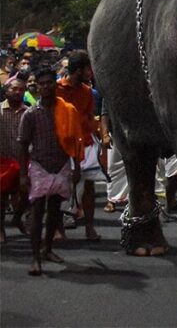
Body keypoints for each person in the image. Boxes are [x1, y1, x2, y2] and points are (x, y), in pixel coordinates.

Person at [18, 68, 83, 275]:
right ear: (37, 88)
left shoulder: (67, 110)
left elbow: (75, 141)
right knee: (37, 213)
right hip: (39, 167)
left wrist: (77, 167)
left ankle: (47, 249)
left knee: (55, 211)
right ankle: (35, 257)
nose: (46, 86)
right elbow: (23, 145)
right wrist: (22, 174)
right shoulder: (30, 114)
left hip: (62, 165)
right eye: (42, 84)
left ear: (55, 85)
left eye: (49, 83)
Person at [56, 50, 100, 241]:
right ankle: (59, 229)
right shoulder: (56, 88)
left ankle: (89, 227)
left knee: (89, 188)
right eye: (87, 68)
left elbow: (89, 117)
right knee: (59, 188)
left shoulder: (88, 92)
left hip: (86, 144)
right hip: (61, 146)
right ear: (78, 70)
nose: (90, 72)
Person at [0, 77, 29, 243]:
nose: (17, 92)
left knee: (28, 193)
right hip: (3, 160)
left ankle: (17, 218)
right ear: (6, 91)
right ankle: (1, 229)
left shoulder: (29, 112)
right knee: (1, 197)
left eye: (20, 90)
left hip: (23, 160)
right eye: (14, 89)